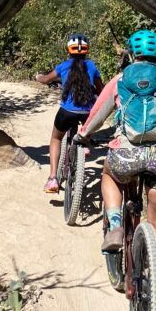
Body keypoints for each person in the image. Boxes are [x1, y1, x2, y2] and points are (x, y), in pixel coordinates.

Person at [79, 29, 156, 269]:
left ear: (131, 52)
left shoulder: (119, 81)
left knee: (109, 174)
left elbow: (97, 113)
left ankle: (116, 225)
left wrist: (83, 133)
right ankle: (154, 284)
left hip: (125, 155)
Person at [34, 33, 103, 194]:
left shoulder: (64, 66)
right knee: (87, 126)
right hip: (87, 112)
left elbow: (45, 79)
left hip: (67, 112)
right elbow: (101, 90)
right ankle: (85, 143)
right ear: (87, 51)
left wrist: (38, 77)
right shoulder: (91, 66)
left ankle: (52, 178)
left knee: (56, 138)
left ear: (68, 50)